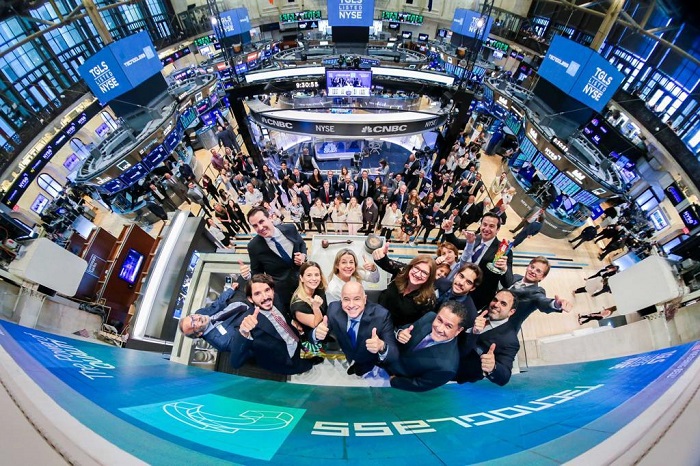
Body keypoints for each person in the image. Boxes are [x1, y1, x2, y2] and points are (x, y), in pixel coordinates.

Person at [228, 274, 323, 375]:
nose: (265, 297)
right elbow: (235, 363)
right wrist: (243, 333)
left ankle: (310, 360)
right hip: (282, 361)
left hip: (295, 339)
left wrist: (292, 322)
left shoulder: (275, 298)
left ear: (272, 290)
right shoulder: (247, 323)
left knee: (305, 357)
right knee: (301, 367)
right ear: (250, 299)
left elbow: (284, 313)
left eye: (267, 290)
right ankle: (309, 364)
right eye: (257, 293)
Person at [312, 281, 397, 376]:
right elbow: (316, 334)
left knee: (362, 370)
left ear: (365, 299)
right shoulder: (333, 309)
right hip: (349, 353)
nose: (351, 305)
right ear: (341, 300)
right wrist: (316, 334)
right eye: (346, 299)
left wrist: (381, 346)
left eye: (357, 299)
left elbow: (394, 354)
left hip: (369, 358)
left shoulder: (381, 315)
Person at [387, 301, 468, 392]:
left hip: (392, 377)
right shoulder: (429, 317)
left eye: (448, 326)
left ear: (458, 330)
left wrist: (394, 381)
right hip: (383, 356)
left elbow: (419, 385)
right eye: (439, 320)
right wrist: (400, 333)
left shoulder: (448, 368)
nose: (439, 329)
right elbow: (406, 328)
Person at [446, 213, 514, 310]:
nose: (486, 229)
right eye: (484, 224)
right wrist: (449, 230)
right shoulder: (476, 238)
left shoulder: (503, 250)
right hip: (460, 287)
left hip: (477, 297)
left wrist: (504, 269)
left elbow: (508, 283)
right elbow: (457, 243)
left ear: (498, 229)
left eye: (491, 226)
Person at [455, 290, 520, 386]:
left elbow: (505, 376)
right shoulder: (483, 313)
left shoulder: (510, 340)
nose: (496, 305)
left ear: (511, 312)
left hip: (456, 375)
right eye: (495, 300)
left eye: (503, 304)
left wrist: (493, 367)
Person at [247, 207, 307, 309]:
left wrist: (303, 256)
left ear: (270, 217)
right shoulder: (253, 246)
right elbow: (257, 273)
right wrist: (248, 276)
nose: (260, 228)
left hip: (305, 281)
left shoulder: (290, 228)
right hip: (284, 294)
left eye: (261, 221)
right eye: (255, 226)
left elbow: (301, 244)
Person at [372, 247, 437, 328]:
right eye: (417, 268)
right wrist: (379, 255)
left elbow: (420, 325)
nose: (418, 274)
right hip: (376, 312)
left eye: (424, 273)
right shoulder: (402, 271)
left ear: (429, 277)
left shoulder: (428, 300)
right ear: (411, 267)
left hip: (393, 329)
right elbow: (385, 262)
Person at [503, 257, 572, 331]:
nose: (533, 271)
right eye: (532, 267)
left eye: (538, 271)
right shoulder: (515, 276)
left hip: (505, 329)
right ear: (528, 267)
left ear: (542, 277)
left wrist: (555, 304)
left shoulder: (537, 292)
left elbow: (542, 301)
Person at [290, 261, 328, 339]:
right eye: (309, 275)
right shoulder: (298, 305)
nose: (314, 279)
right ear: (301, 278)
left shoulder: (319, 290)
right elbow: (316, 324)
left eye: (316, 275)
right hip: (311, 340)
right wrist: (316, 308)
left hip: (326, 332)